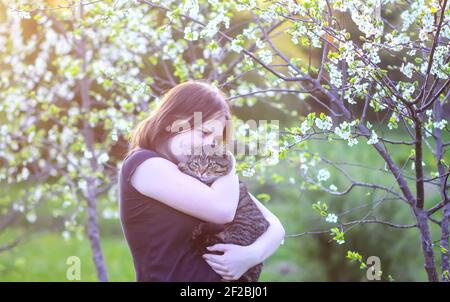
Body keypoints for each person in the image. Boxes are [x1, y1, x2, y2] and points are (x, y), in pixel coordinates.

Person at [118, 80, 285, 281]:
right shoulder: (144, 164)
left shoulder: (199, 174)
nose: (209, 146)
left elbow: (275, 226)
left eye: (215, 141)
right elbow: (223, 210)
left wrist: (251, 256)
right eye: (204, 133)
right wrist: (227, 160)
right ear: (174, 122)